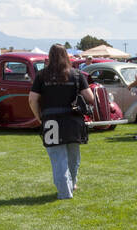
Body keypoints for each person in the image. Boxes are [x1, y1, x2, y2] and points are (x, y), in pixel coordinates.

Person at [29, 43, 97, 199]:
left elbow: (32, 100)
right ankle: (72, 184)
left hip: (51, 121)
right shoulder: (77, 75)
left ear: (50, 57)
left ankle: (65, 192)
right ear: (66, 56)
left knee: (58, 158)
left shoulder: (41, 76)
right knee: (73, 156)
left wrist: (39, 117)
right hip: (73, 121)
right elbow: (90, 98)